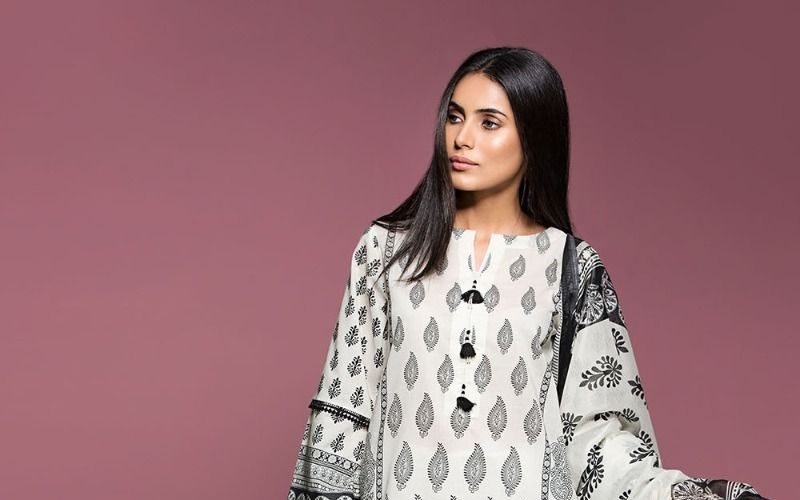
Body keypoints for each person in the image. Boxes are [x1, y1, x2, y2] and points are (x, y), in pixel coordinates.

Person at [286, 47, 767, 500]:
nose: (462, 138)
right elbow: (341, 412)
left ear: (534, 137)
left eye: (489, 123)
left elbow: (595, 444)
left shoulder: (571, 267)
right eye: (455, 116)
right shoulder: (387, 251)